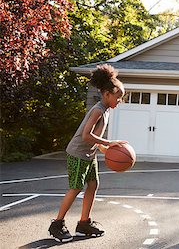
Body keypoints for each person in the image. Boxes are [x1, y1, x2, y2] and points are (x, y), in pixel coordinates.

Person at [48, 64, 127, 242]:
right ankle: (57, 224)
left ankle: (84, 223)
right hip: (77, 153)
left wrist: (104, 148)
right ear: (107, 94)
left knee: (93, 185)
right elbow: (86, 135)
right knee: (76, 187)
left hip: (89, 155)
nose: (119, 101)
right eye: (118, 97)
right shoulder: (98, 110)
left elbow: (94, 137)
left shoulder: (105, 111)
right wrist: (108, 142)